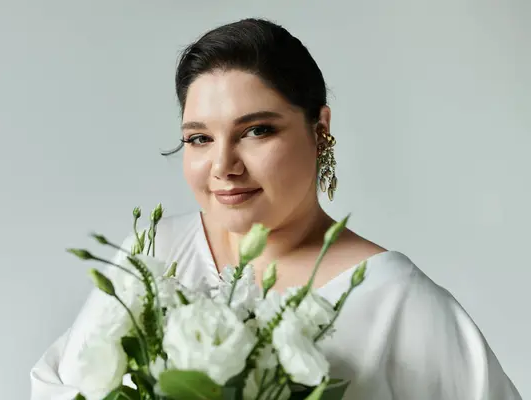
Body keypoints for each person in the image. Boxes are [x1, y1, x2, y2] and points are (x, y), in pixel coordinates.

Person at [30, 18, 521, 399]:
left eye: (256, 131)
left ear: (319, 127)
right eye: (199, 138)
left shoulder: (395, 301)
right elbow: (59, 387)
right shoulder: (153, 257)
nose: (223, 165)